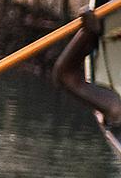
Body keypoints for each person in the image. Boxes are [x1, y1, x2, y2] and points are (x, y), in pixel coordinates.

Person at [50, 12, 121, 153]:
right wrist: (88, 34)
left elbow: (65, 75)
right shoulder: (117, 110)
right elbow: (65, 75)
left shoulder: (117, 110)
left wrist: (88, 34)